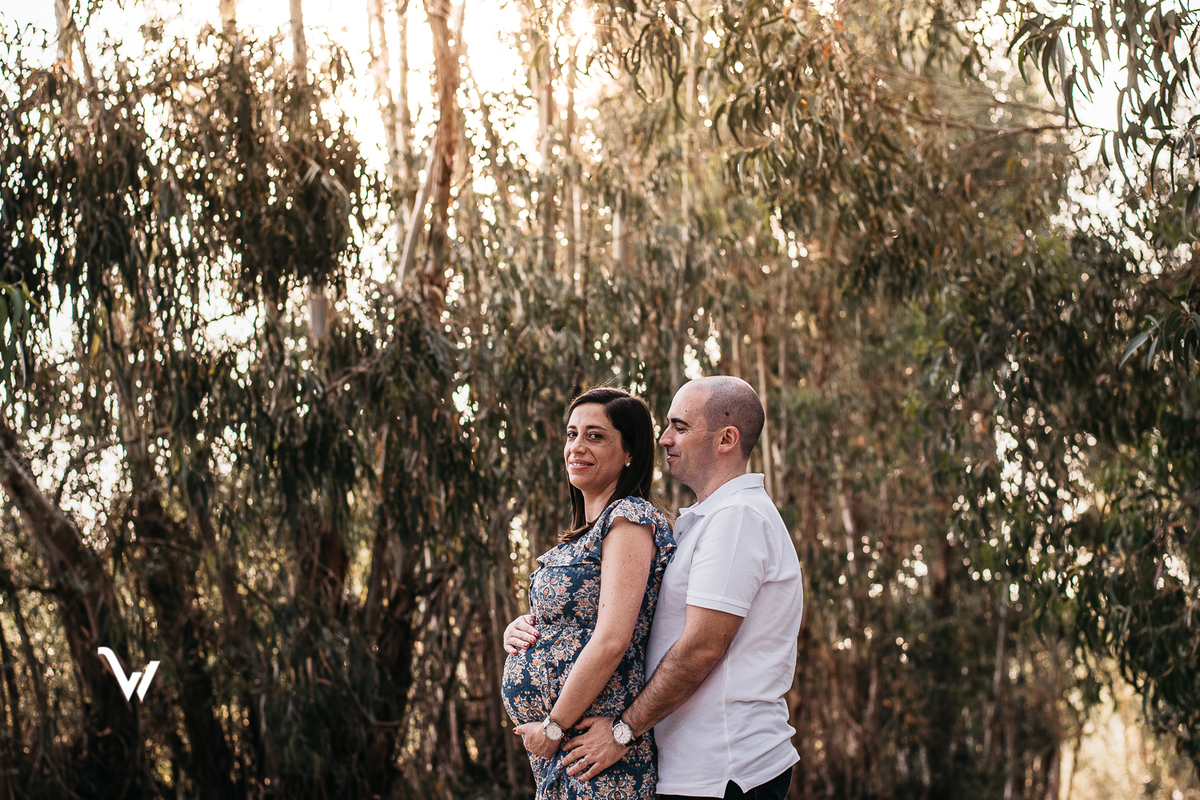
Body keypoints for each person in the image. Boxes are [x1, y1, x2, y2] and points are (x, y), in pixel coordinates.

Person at [505, 376, 804, 800]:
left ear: (726, 439)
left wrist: (623, 731)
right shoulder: (705, 521)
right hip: (690, 768)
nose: (663, 439)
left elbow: (701, 647)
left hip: (725, 771)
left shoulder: (738, 520)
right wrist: (531, 632)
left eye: (680, 427)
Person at [500, 386, 676, 800]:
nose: (576, 447)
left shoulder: (628, 519)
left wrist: (554, 724)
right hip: (563, 758)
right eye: (571, 434)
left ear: (629, 452)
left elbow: (613, 639)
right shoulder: (583, 535)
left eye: (595, 436)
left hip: (593, 753)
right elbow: (573, 619)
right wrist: (523, 629)